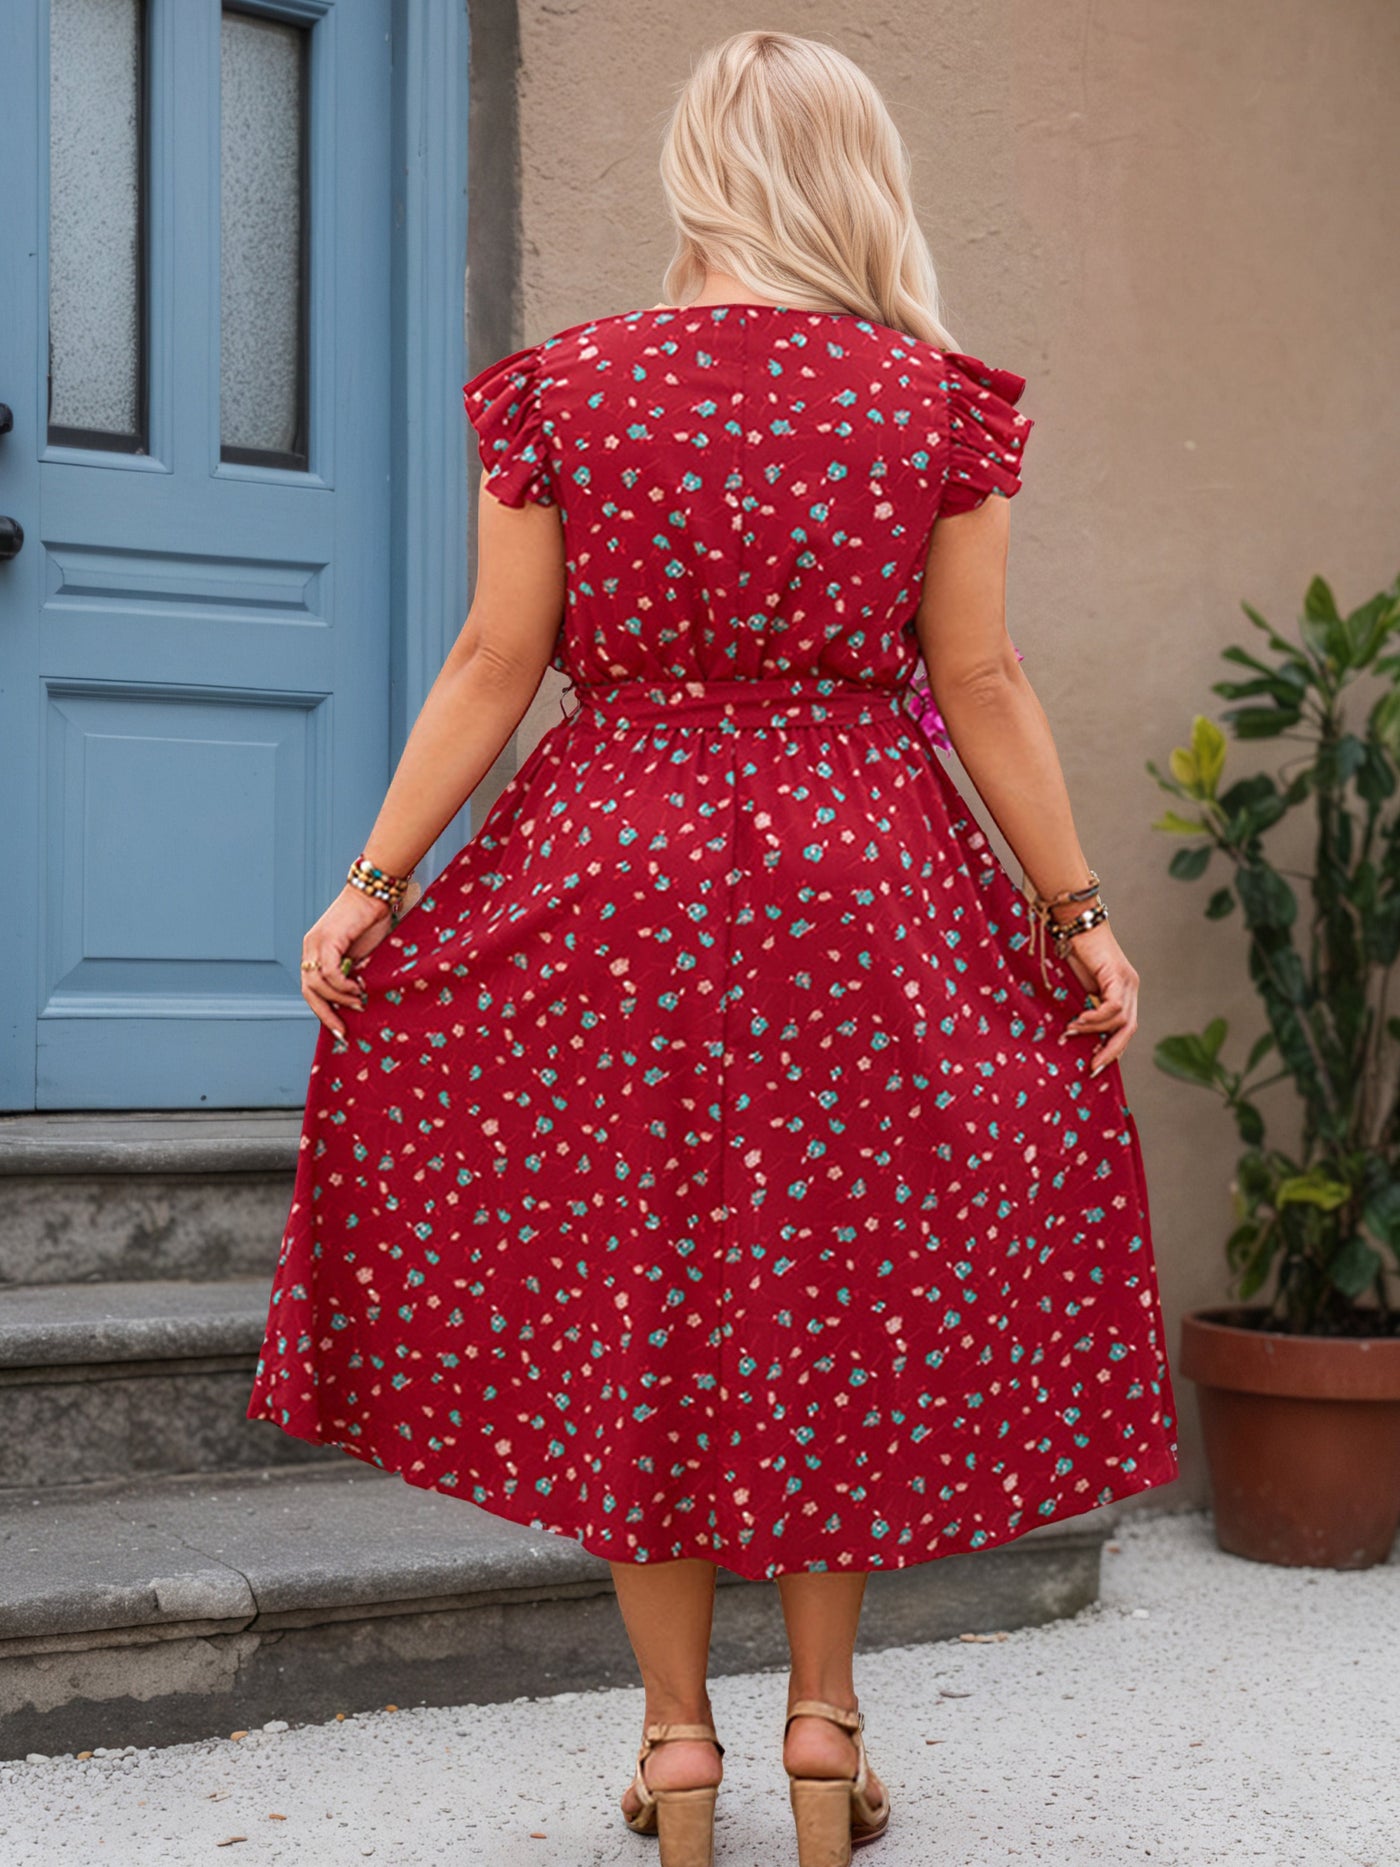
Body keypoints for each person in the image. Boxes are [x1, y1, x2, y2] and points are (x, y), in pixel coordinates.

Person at [247, 28, 1180, 1867]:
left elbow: (492, 666)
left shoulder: (563, 391)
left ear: (697, 171)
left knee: (643, 1292)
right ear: (857, 177)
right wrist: (1076, 915)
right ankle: (822, 1733)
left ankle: (679, 1749)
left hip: (616, 876)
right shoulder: (933, 399)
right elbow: (978, 675)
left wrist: (373, 878)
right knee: (822, 1287)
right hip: (864, 878)